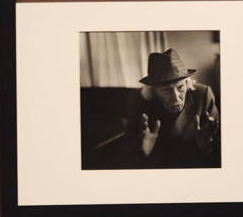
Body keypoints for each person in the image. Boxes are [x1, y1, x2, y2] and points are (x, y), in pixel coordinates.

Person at [89, 47, 220, 169]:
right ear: (153, 91)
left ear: (187, 83)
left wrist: (206, 147)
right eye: (166, 91)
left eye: (180, 88)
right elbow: (128, 160)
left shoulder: (203, 95)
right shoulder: (139, 103)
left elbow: (220, 152)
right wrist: (145, 150)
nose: (175, 97)